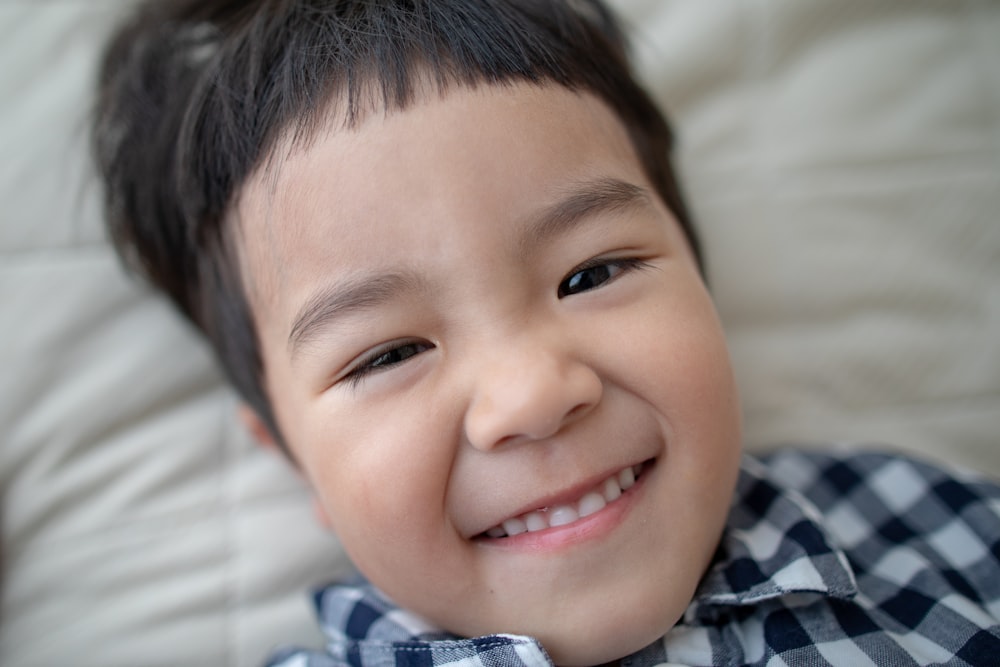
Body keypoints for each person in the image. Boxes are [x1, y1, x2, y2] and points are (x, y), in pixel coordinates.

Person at [92, 1, 1000, 665]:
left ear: (700, 275)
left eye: (592, 274)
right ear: (296, 460)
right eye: (391, 352)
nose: (532, 394)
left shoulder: (940, 533)